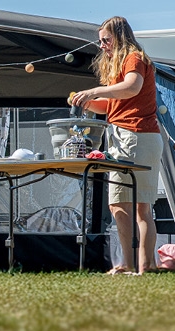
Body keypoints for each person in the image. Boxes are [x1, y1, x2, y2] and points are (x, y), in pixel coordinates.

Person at [70, 16, 163, 274]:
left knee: (140, 205)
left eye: (106, 40)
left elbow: (132, 87)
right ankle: (130, 264)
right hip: (124, 136)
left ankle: (146, 267)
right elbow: (113, 104)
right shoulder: (117, 64)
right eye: (99, 41)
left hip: (137, 136)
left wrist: (94, 91)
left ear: (120, 36)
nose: (102, 46)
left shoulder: (134, 57)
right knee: (119, 205)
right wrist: (85, 101)